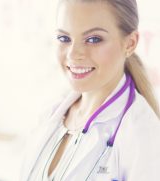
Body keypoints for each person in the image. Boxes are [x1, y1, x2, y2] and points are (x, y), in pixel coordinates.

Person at [20, 0, 160, 180]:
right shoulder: (49, 115)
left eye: (93, 39)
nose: (73, 54)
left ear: (130, 44)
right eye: (64, 38)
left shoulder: (144, 137)